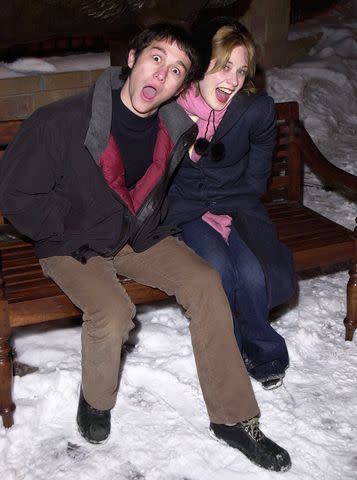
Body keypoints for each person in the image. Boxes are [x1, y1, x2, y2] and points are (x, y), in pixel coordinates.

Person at [0, 23, 291, 472]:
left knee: (205, 281)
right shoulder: (60, 122)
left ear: (181, 84)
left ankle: (234, 418)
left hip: (134, 234)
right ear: (132, 60)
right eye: (156, 58)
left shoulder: (174, 126)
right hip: (71, 241)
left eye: (176, 69)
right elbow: (16, 196)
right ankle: (95, 401)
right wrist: (70, 225)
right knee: (113, 313)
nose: (163, 73)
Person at [165, 18, 296, 389]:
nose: (234, 80)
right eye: (225, 67)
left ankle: (265, 350)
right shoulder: (171, 107)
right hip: (187, 210)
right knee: (219, 270)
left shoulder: (253, 111)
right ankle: (227, 353)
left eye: (241, 71)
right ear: (201, 66)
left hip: (236, 207)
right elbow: (164, 179)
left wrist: (219, 198)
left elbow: (255, 181)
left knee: (253, 272)